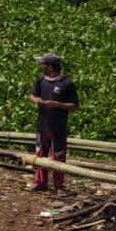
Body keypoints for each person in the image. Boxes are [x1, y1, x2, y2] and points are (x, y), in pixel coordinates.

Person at [28, 52, 79, 193]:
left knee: (58, 156)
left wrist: (57, 104)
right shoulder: (41, 80)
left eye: (43, 64)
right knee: (40, 155)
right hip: (42, 125)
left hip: (58, 127)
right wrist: (36, 100)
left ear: (50, 67)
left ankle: (59, 186)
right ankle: (40, 183)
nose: (41, 66)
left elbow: (74, 106)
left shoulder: (66, 84)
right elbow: (32, 95)